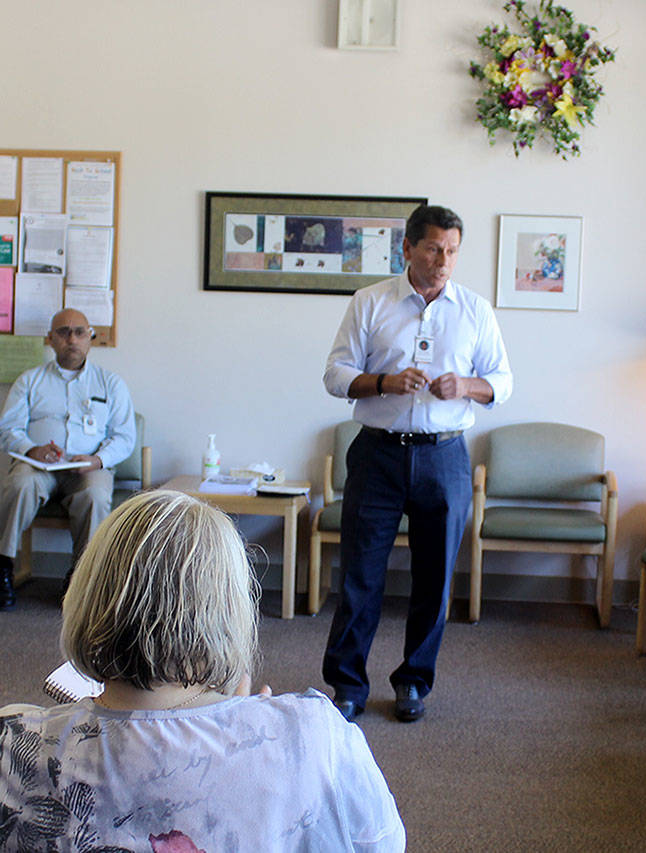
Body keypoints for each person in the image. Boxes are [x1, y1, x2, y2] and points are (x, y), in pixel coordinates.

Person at [0, 489, 405, 850]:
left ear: (88, 593)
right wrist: (244, 724)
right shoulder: (315, 735)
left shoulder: (11, 746)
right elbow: (383, 844)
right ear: (230, 610)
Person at [322, 203, 512, 723]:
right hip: (378, 453)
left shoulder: (475, 310)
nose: (443, 260)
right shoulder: (370, 302)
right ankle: (347, 686)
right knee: (361, 574)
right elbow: (336, 375)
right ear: (407, 249)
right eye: (433, 248)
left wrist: (466, 386)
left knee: (435, 579)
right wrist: (384, 381)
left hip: (445, 455)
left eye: (452, 251)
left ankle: (412, 683)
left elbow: (503, 381)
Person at [0, 308, 135, 610]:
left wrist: (98, 459)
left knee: (95, 495)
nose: (71, 339)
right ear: (50, 339)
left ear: (90, 338)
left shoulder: (110, 384)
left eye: (79, 332)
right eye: (62, 332)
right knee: (20, 483)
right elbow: (8, 428)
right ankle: (3, 566)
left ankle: (83, 577)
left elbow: (125, 436)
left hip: (89, 467)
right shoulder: (29, 380)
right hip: (39, 466)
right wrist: (31, 450)